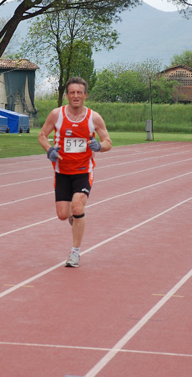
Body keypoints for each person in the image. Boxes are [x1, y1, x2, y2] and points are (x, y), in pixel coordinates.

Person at [38, 77, 112, 267]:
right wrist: (49, 150)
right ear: (67, 95)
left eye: (79, 93)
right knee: (63, 214)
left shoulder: (94, 118)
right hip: (62, 171)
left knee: (78, 207)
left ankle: (75, 253)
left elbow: (108, 142)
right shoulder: (57, 115)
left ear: (85, 95)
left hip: (82, 171)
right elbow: (42, 135)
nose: (76, 96)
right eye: (72, 93)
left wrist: (98, 146)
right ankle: (73, 217)